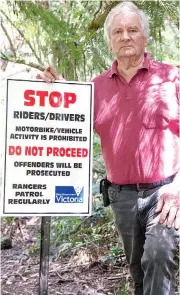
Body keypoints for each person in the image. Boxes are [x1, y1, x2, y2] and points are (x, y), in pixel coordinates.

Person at [37, 2, 179, 295]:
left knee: (158, 253)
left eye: (132, 30)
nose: (125, 36)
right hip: (121, 197)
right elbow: (70, 116)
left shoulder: (172, 78)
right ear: (109, 41)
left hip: (165, 192)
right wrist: (55, 89)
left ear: (145, 37)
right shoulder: (96, 87)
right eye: (118, 31)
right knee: (139, 272)